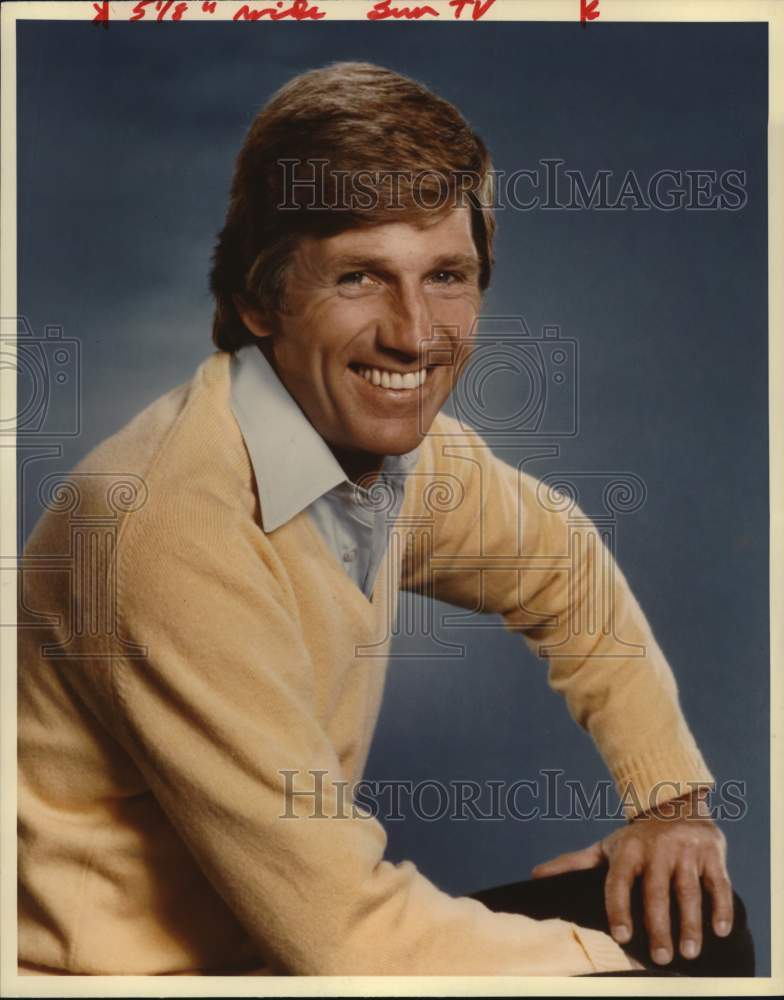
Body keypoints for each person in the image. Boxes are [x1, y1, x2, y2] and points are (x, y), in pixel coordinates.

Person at [17, 61, 754, 977]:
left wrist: (670, 804)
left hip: (284, 950)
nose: (414, 333)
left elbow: (560, 559)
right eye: (359, 277)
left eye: (447, 275)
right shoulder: (169, 526)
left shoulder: (385, 450)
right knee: (674, 960)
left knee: (697, 916)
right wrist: (613, 969)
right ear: (257, 300)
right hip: (133, 981)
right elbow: (346, 938)